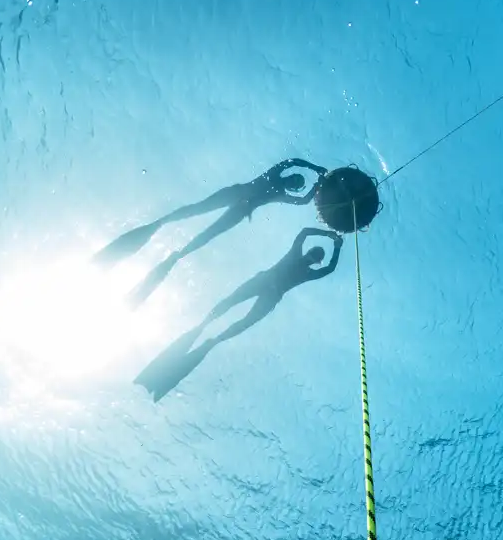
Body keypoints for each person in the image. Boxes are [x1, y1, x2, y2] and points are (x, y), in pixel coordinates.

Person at [135, 227, 343, 401]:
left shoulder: (301, 263)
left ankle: (207, 339)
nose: (312, 258)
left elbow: (319, 252)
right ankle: (205, 336)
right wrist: (334, 242)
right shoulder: (300, 262)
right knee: (227, 309)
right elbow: (312, 243)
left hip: (266, 289)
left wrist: (332, 241)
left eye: (314, 256)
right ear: (314, 258)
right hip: (266, 288)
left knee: (232, 317)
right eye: (314, 255)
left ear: (313, 259)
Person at [92, 158, 328, 305]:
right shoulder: (274, 174)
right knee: (193, 211)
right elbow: (292, 161)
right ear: (290, 178)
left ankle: (170, 260)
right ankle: (152, 230)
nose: (294, 184)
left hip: (239, 209)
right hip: (235, 194)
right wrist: (314, 168)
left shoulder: (280, 192)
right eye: (295, 180)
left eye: (297, 184)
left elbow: (303, 200)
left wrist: (318, 184)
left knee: (206, 235)